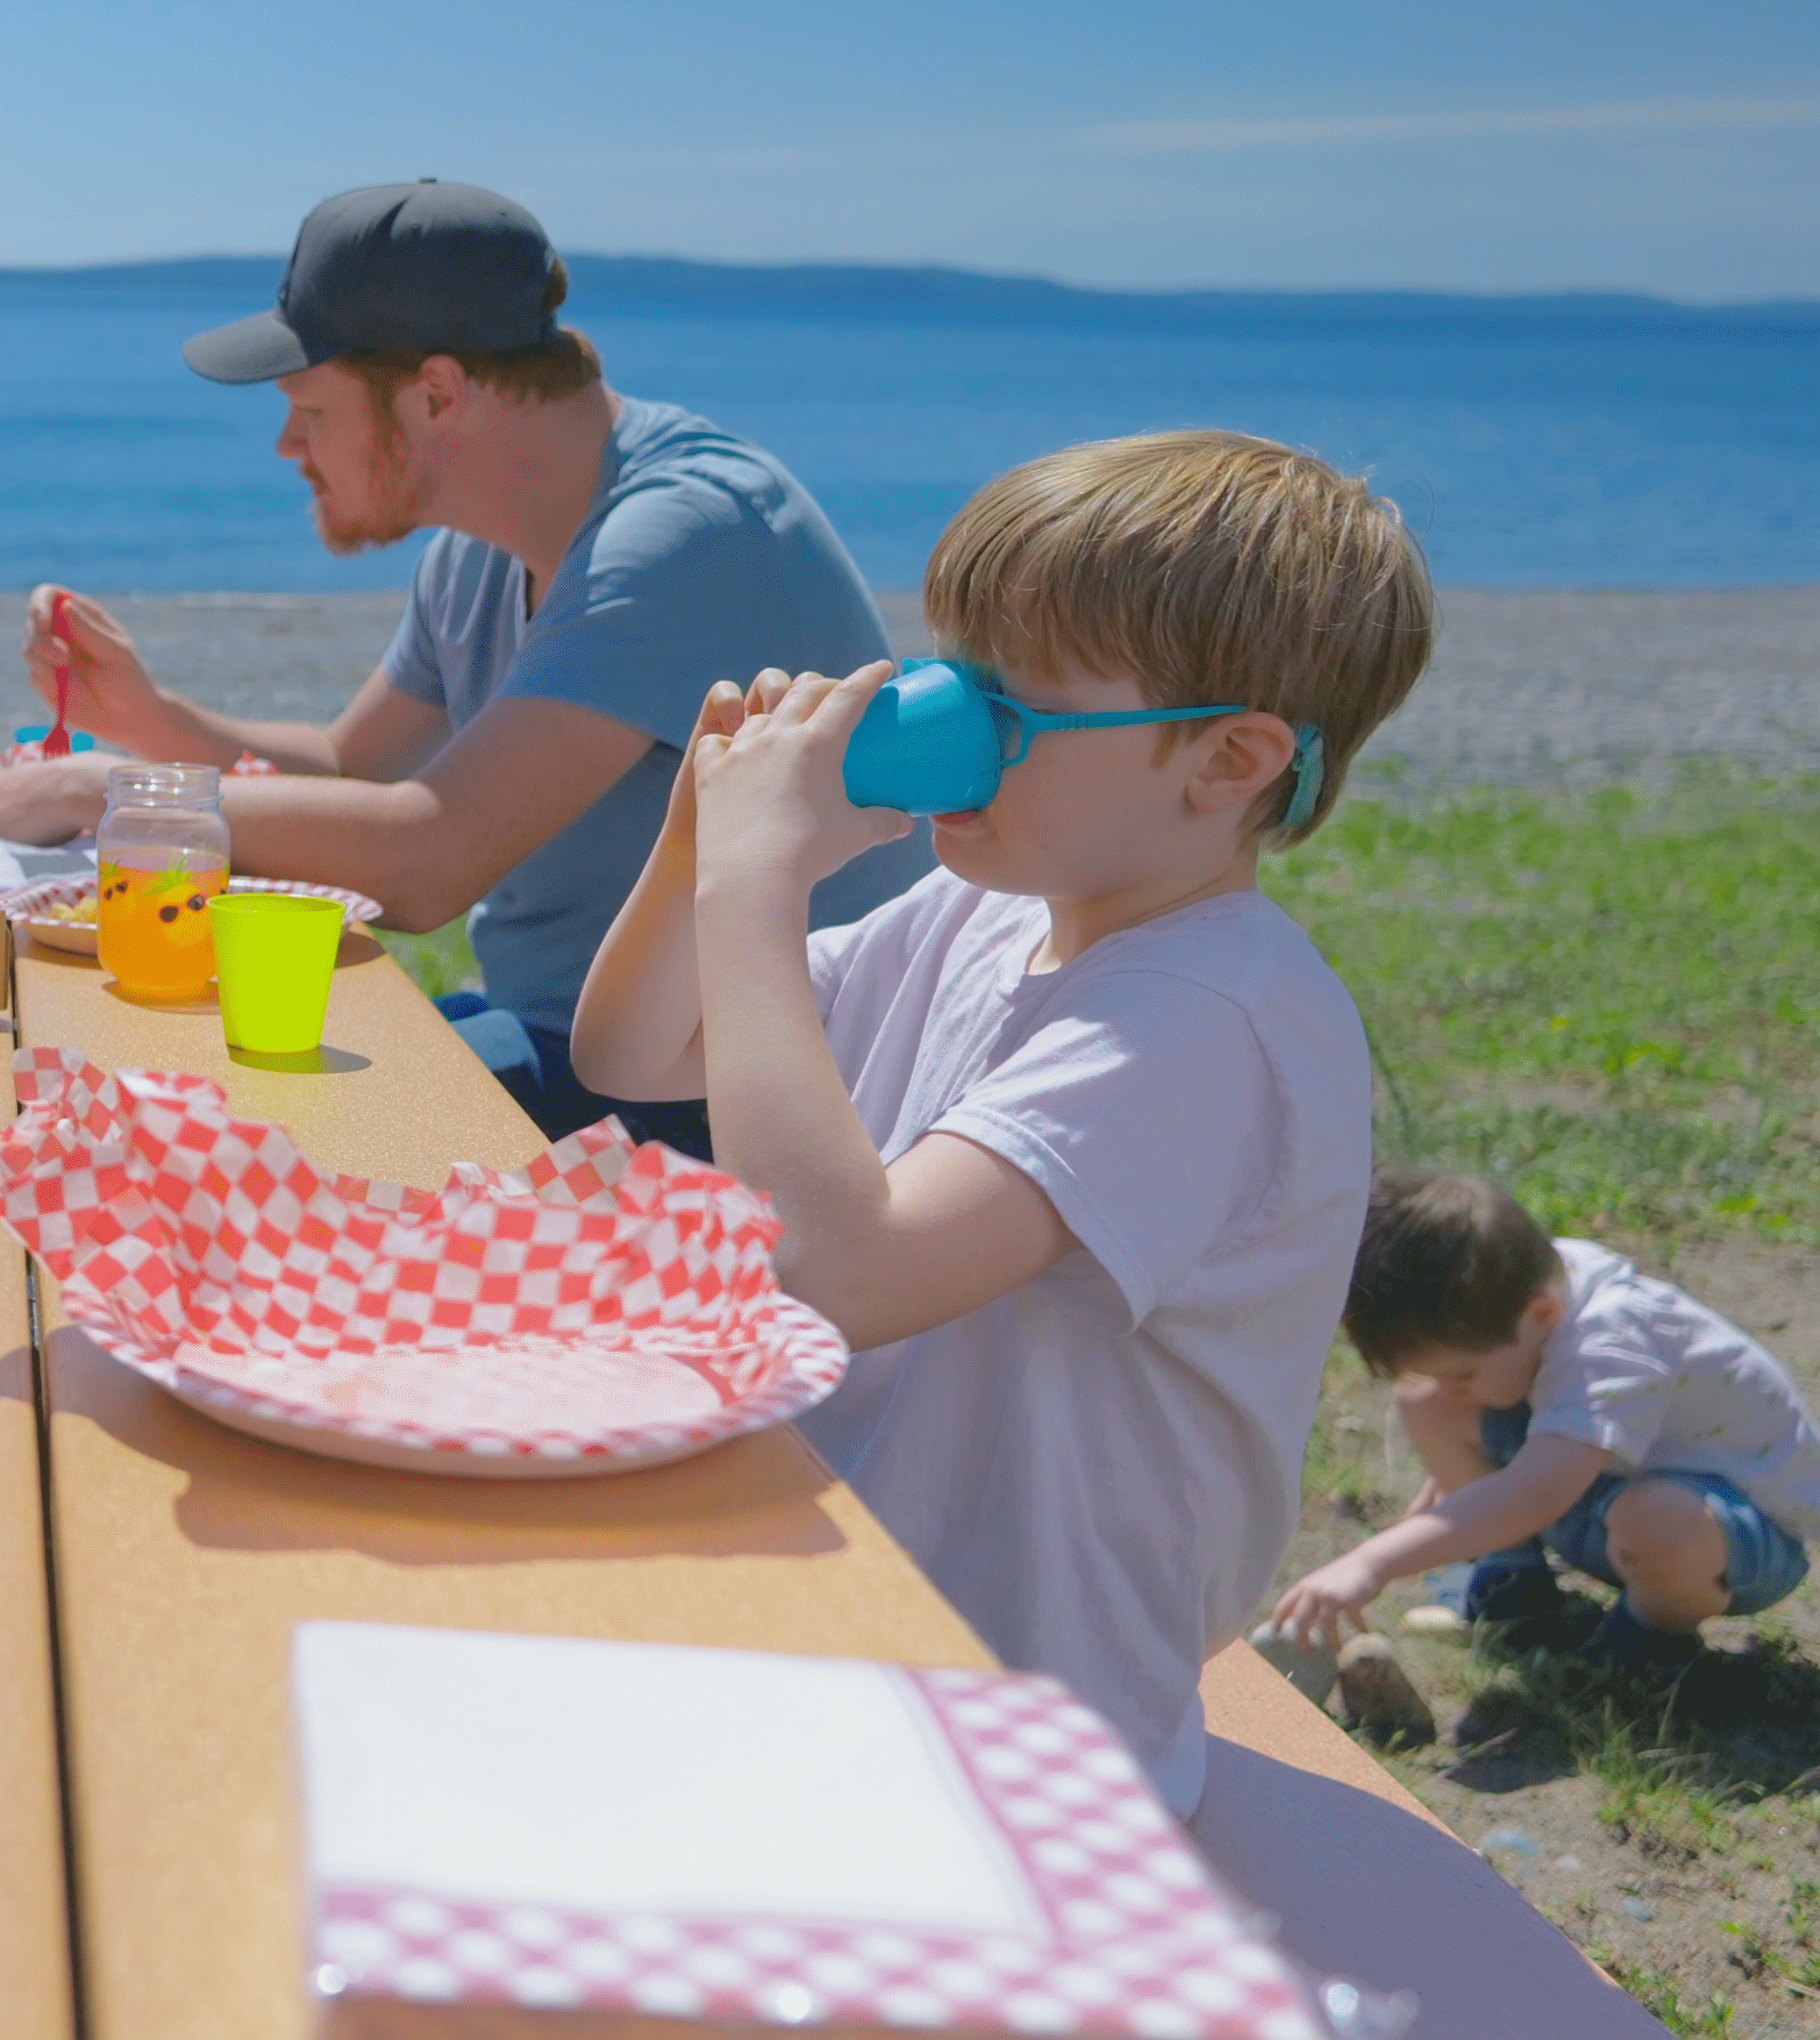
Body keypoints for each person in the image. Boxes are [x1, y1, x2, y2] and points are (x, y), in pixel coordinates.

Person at [568, 431, 1437, 1807]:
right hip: (847, 1609)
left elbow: (837, 1274)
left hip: (1019, 1738)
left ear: (1226, 761)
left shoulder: (1208, 1020)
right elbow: (639, 1042)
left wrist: (758, 885)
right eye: (948, 671)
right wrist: (697, 838)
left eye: (1006, 711)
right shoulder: (981, 912)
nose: (947, 720)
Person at [0, 180, 922, 1155]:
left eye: (308, 409)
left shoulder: (684, 534)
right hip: (584, 1052)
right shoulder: (483, 546)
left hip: (752, 1105)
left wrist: (113, 791)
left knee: (220, 1143)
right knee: (176, 1099)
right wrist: (153, 718)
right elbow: (352, 769)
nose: (287, 444)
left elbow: (426, 861)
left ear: (436, 393)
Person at [1273, 1173, 1814, 1700]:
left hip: (1739, 1534)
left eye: (1463, 1373)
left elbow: (1538, 1494)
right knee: (1424, 1396)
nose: (1456, 1391)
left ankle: (1651, 1639)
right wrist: (1462, 1490)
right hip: (1607, 1483)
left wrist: (1374, 1560)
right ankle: (1513, 1584)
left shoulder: (1613, 1344)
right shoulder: (1519, 1284)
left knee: (1657, 1519)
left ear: (1544, 1314)